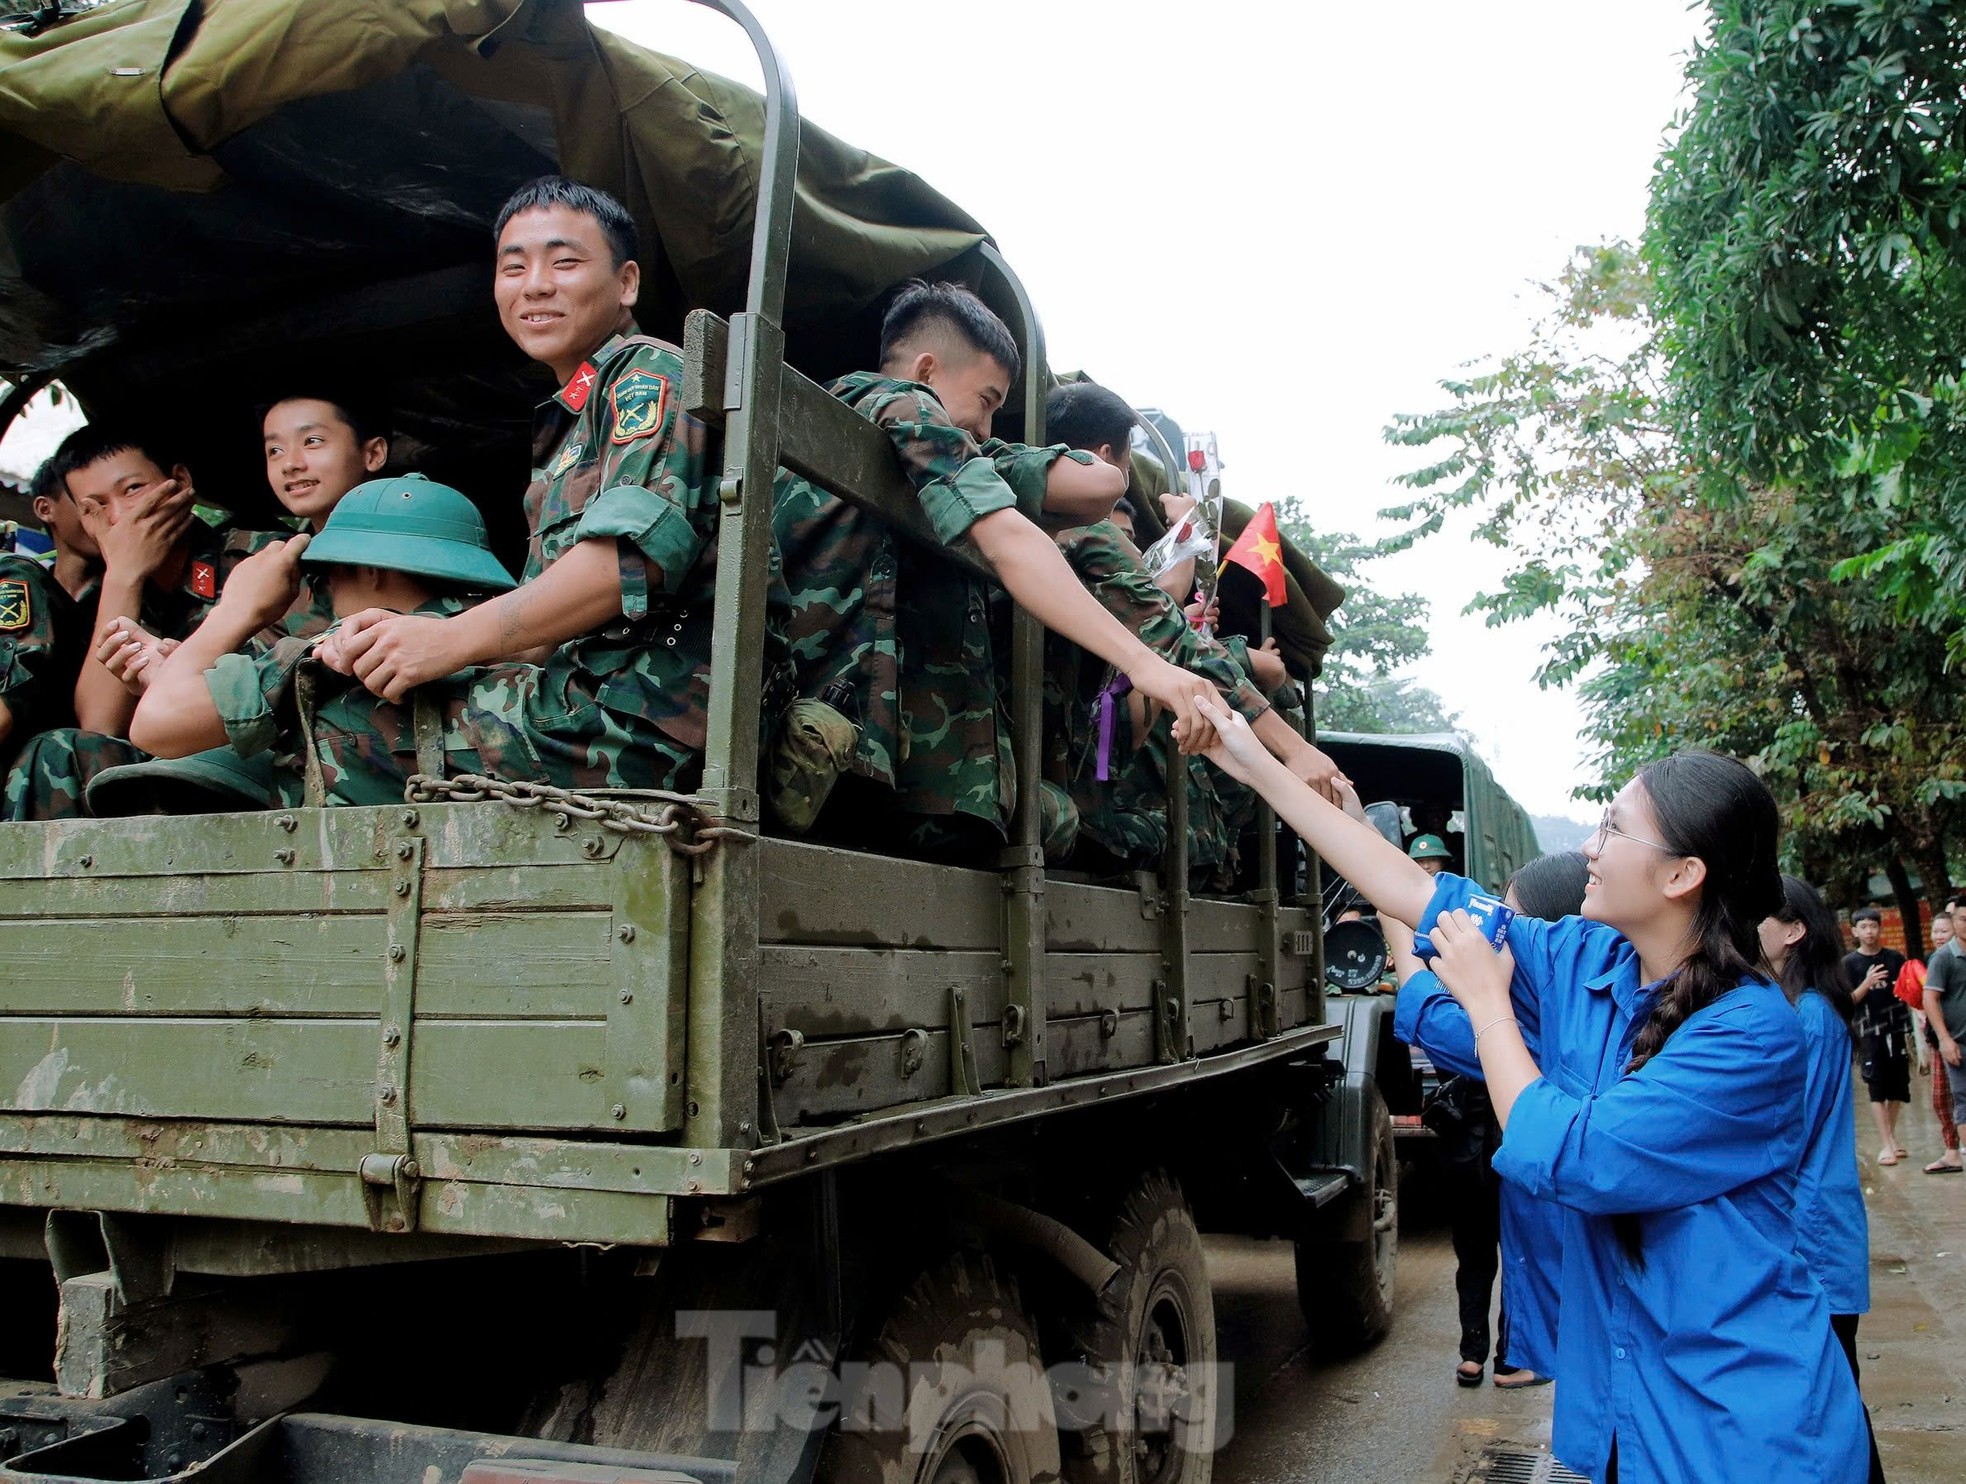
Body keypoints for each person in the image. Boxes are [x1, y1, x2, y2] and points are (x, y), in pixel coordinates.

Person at [1188, 695, 1867, 1484]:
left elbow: (1571, 1158)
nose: (1588, 846)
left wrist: (1486, 1005)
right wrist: (1253, 764)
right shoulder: (1585, 959)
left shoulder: (1750, 1034)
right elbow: (1412, 890)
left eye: (1612, 829)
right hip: (1622, 1413)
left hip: (1742, 1433)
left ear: (1683, 873)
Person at [309, 176, 791, 797]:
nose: (535, 284)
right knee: (368, 683)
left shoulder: (646, 377)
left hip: (647, 716)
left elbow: (624, 564)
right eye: (514, 267)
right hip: (605, 699)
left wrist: (450, 640)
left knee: (340, 726)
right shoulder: (571, 420)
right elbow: (545, 628)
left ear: (626, 283)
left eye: (564, 261)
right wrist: (405, 634)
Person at [770, 281, 1225, 859]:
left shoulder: (853, 424)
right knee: (1061, 821)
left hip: (844, 752)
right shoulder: (905, 406)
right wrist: (1145, 664)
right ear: (927, 370)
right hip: (882, 768)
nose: (987, 429)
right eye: (986, 400)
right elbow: (1008, 539)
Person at [1036, 379, 1345, 876]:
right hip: (1067, 799)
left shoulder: (1004, 508)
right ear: (1105, 455)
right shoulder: (1082, 528)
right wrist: (1295, 750)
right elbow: (1172, 633)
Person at [125, 474, 519, 801]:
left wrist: (235, 610)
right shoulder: (498, 636)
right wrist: (182, 674)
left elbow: (157, 726)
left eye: (323, 575)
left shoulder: (354, 643)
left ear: (371, 572)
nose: (320, 593)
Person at [0, 427, 274, 819]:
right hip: (163, 782)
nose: (120, 516)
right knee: (58, 750)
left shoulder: (256, 557)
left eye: (132, 490)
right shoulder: (105, 594)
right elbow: (99, 725)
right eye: (96, 506)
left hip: (259, 765)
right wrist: (124, 575)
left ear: (179, 482)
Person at [1392, 850, 1586, 1391]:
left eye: (1510, 922)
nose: (1496, 936)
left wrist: (1393, 920)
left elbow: (1436, 1019)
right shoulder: (1591, 1016)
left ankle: (1499, 1352)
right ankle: (1497, 1352)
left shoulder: (1525, 1029)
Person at [1762, 874, 1884, 1483]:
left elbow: (1789, 1135)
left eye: (1757, 917)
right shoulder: (1809, 1009)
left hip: (1813, 1232)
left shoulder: (1807, 1018)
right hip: (1819, 1225)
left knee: (1836, 1398)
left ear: (1792, 931)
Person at [0, 455, 102, 774]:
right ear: (46, 508)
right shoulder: (22, 577)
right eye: (87, 502)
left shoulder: (15, 576)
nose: (107, 513)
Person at [1843, 907, 1912, 1165]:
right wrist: (1867, 983)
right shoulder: (1849, 964)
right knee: (1876, 1087)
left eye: (1874, 926)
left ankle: (1891, 1136)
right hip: (1868, 1033)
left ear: (1880, 929)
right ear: (1855, 931)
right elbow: (1846, 1001)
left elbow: (1909, 992)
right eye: (1864, 927)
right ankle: (1885, 1144)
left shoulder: (1895, 959)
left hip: (1896, 1029)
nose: (1869, 931)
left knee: (1898, 1086)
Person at [1910, 906, 1961, 1173]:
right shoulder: (1934, 959)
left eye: (1944, 931)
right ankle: (1952, 1149)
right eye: (1935, 931)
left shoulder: (1954, 959)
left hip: (1955, 1038)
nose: (1938, 936)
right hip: (1941, 1040)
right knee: (1942, 1098)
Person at [1923, 897, 1966, 1171]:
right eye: (1963, 919)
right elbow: (1930, 999)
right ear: (1954, 921)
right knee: (1962, 1099)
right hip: (1958, 1044)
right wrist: (1945, 1039)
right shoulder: (1944, 957)